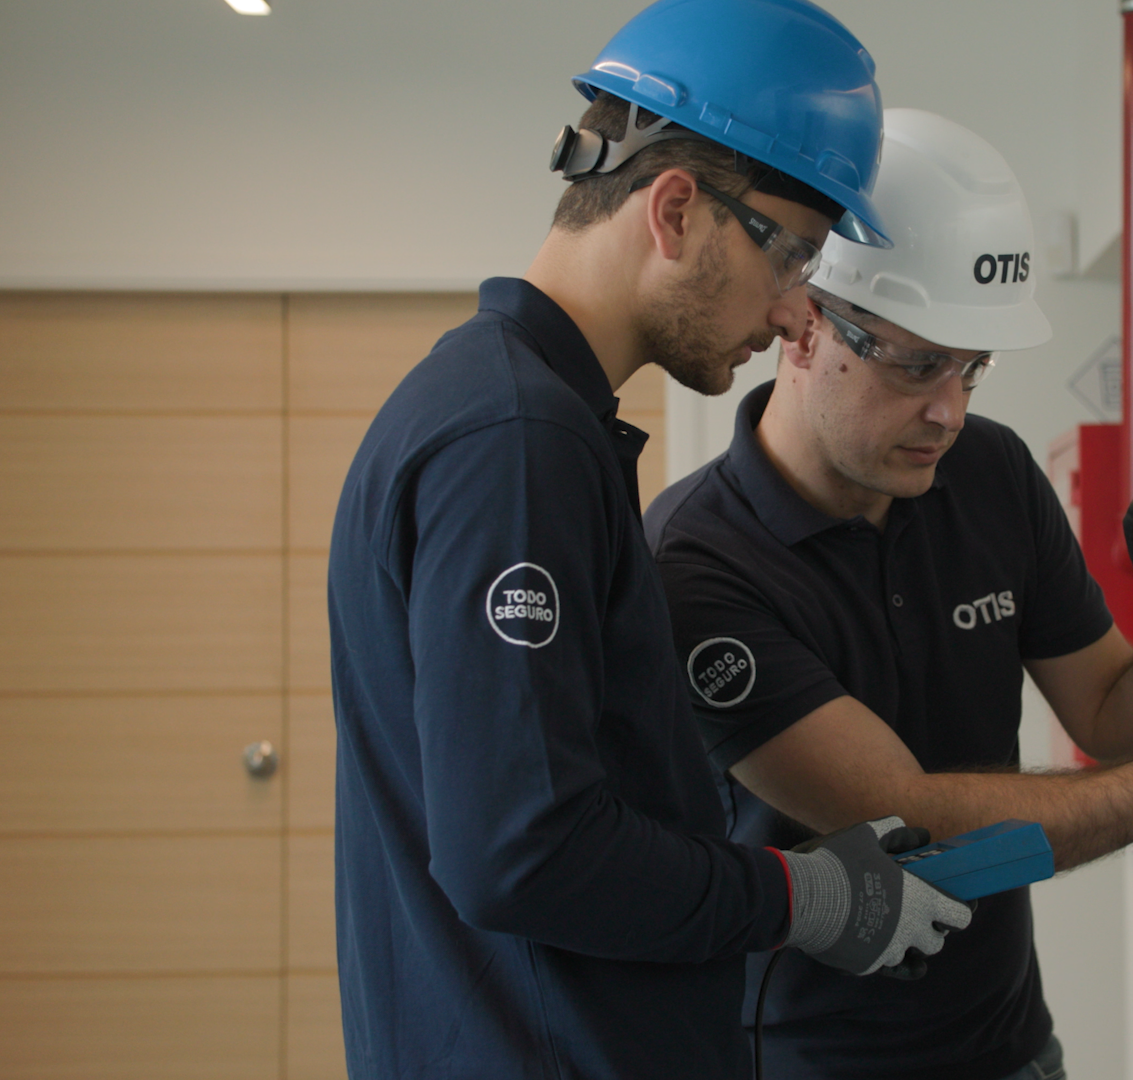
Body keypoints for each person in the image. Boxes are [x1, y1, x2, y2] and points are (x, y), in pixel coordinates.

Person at [645, 109, 1133, 1080]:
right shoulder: (698, 562)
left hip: (1010, 1048)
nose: (949, 410)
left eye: (974, 368)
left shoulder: (989, 473)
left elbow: (1112, 715)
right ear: (803, 323)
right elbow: (911, 816)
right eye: (919, 363)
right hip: (805, 1062)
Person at [326, 6, 973, 1078]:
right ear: (675, 210)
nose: (796, 317)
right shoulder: (516, 442)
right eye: (791, 257)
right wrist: (800, 896)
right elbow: (521, 852)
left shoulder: (513, 416)